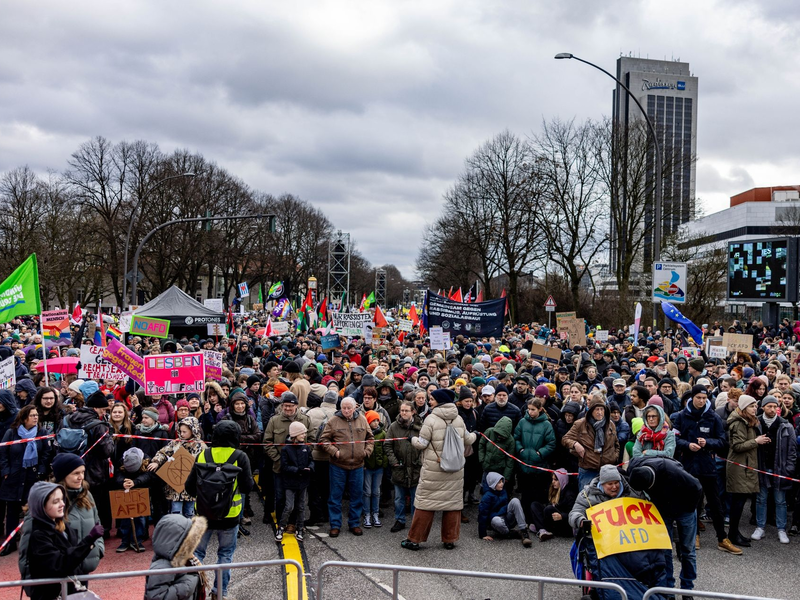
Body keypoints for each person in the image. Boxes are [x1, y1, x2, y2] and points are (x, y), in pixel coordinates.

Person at [569, 465, 666, 600]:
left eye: (616, 483)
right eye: (610, 484)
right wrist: (581, 520)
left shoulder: (632, 491)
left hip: (631, 539)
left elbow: (646, 507)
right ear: (602, 484)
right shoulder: (587, 495)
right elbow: (574, 513)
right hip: (605, 542)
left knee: (654, 558)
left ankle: (657, 591)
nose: (614, 487)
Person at [185, 420, 252, 600]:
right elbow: (247, 487)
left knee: (196, 554)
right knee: (225, 555)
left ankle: (195, 592)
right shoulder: (240, 456)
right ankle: (218, 593)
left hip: (203, 515)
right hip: (230, 515)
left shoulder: (203, 455)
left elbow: (189, 487)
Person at [402, 388, 476, 551]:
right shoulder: (458, 419)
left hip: (434, 469)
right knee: (452, 505)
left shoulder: (431, 419)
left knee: (426, 504)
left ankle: (415, 539)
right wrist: (476, 434)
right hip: (455, 469)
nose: (430, 401)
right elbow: (469, 439)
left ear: (440, 401)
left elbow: (421, 443)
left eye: (432, 399)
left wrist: (411, 439)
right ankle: (450, 539)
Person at [671, 384, 738, 554]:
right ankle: (695, 535)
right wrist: (688, 445)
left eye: (704, 398)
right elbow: (674, 439)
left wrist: (707, 443)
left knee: (715, 503)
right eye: (698, 398)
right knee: (693, 503)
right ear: (691, 398)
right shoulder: (681, 416)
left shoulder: (713, 417)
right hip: (688, 465)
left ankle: (722, 538)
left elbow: (722, 442)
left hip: (708, 465)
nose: (701, 401)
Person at [628, 456, 704, 594]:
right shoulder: (635, 469)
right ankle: (668, 589)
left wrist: (689, 509)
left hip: (685, 508)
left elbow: (697, 487)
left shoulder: (672, 471)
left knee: (688, 551)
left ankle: (687, 589)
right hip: (662, 509)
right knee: (665, 551)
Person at [26, 481, 104, 600]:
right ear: (42, 506)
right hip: (52, 595)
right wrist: (89, 540)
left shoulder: (63, 527)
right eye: (55, 501)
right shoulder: (39, 536)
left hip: (69, 591)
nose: (62, 504)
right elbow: (61, 564)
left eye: (62, 499)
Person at [319, 397, 374, 537]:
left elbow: (370, 438)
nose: (346, 411)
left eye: (349, 408)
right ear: (340, 408)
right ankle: (335, 525)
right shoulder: (333, 421)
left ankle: (354, 523)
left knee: (357, 496)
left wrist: (366, 452)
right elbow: (323, 440)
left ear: (355, 407)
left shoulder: (362, 419)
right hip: (338, 465)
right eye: (344, 408)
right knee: (335, 497)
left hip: (358, 465)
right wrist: (335, 452)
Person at [0, 404, 51, 556]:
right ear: (24, 418)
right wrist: (6, 471)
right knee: (13, 510)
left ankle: (33, 542)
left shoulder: (42, 432)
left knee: (33, 510)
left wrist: (41, 471)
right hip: (14, 477)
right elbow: (3, 453)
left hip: (32, 477)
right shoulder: (12, 433)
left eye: (37, 415)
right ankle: (10, 542)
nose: (36, 417)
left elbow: (46, 454)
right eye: (32, 415)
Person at [64, 388, 115, 532]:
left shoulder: (68, 419)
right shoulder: (98, 426)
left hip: (71, 468)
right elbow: (107, 451)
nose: (104, 413)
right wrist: (110, 436)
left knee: (75, 502)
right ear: (95, 408)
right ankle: (99, 531)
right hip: (95, 471)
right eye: (103, 410)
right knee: (96, 504)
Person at [751, 395, 795, 544]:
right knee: (761, 498)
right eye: (768, 406)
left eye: (774, 406)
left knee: (780, 500)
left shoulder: (785, 425)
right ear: (763, 407)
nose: (772, 409)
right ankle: (760, 527)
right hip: (761, 467)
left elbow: (792, 450)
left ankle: (781, 529)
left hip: (779, 469)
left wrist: (789, 468)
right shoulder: (756, 423)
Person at [727, 394, 769, 548]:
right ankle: (732, 534)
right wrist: (756, 441)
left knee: (740, 501)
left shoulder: (748, 421)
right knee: (738, 502)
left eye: (755, 405)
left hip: (745, 466)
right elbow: (737, 446)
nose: (755, 408)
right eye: (752, 406)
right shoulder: (738, 423)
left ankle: (735, 532)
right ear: (744, 407)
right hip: (739, 467)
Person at [264, 392, 311, 529]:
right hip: (279, 467)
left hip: (299, 469)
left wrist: (305, 458)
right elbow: (267, 442)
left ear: (296, 406)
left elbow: (312, 440)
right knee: (280, 496)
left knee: (298, 499)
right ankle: (281, 521)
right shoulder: (274, 421)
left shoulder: (305, 420)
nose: (287, 409)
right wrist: (278, 459)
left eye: (290, 406)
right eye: (285, 406)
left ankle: (293, 522)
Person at [147, 416, 207, 518]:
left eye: (185, 432)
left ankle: (189, 533)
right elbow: (162, 452)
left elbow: (206, 463)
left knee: (189, 513)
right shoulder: (175, 443)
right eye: (181, 431)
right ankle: (177, 533)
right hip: (175, 486)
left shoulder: (201, 446)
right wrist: (157, 462)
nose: (182, 434)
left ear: (193, 430)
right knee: (175, 513)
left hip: (191, 486)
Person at [145, 514, 210, 600]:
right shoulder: (163, 566)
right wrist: (190, 581)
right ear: (177, 541)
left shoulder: (187, 560)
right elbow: (156, 597)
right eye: (188, 540)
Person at [562, 397, 619, 490]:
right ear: (591, 410)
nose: (600, 412)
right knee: (587, 500)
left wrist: (614, 456)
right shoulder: (581, 424)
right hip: (588, 469)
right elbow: (565, 439)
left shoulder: (610, 424)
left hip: (607, 469)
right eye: (597, 409)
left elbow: (616, 443)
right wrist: (575, 444)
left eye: (602, 409)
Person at [514, 397, 556, 521]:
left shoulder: (546, 424)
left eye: (533, 410)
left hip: (539, 466)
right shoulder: (522, 422)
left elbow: (551, 443)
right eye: (529, 409)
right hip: (524, 464)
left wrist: (540, 453)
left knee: (537, 494)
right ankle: (525, 519)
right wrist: (521, 449)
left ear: (540, 409)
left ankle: (536, 519)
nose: (530, 412)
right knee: (525, 494)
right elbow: (516, 437)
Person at [384, 401, 422, 533]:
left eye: (406, 411)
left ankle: (415, 521)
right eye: (402, 410)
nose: (403, 413)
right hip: (399, 467)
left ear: (413, 412)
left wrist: (421, 460)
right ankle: (400, 520)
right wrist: (393, 461)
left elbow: (425, 444)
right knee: (399, 497)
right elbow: (387, 445)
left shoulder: (420, 426)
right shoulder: (394, 427)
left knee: (415, 497)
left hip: (416, 467)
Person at [275, 421, 314, 542]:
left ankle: (300, 528)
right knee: (289, 506)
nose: (304, 435)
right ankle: (281, 527)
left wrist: (311, 468)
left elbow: (311, 460)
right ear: (295, 435)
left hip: (303, 481)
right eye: (302, 433)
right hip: (290, 482)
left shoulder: (306, 448)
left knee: (301, 506)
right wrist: (298, 470)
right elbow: (285, 466)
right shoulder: (286, 449)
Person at [305, 390, 338, 526]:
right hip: (332, 456)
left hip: (314, 456)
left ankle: (315, 515)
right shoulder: (338, 414)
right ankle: (326, 514)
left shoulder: (311, 413)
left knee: (313, 488)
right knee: (328, 488)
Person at [113, 446, 152, 553]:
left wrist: (136, 482)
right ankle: (125, 541)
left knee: (141, 518)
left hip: (141, 492)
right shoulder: (121, 460)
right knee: (125, 518)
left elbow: (148, 475)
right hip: (126, 492)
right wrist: (122, 482)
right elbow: (117, 475)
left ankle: (137, 540)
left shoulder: (147, 460)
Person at [477, 472, 532, 547]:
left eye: (502, 481)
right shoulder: (487, 497)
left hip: (506, 517)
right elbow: (483, 515)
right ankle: (510, 534)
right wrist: (482, 534)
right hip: (497, 522)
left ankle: (523, 531)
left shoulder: (502, 491)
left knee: (515, 500)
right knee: (496, 520)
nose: (502, 483)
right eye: (499, 482)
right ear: (493, 484)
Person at [529, 468, 576, 541]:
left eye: (556, 480)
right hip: (553, 519)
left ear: (562, 480)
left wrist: (562, 516)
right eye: (552, 479)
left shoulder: (569, 494)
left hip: (564, 524)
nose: (553, 482)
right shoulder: (554, 490)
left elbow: (573, 513)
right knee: (534, 505)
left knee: (549, 509)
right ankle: (542, 529)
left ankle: (540, 527)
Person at [362, 410, 388, 528]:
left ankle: (375, 513)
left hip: (378, 467)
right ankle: (367, 514)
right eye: (373, 421)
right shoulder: (364, 434)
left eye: (377, 420)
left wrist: (383, 462)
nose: (376, 423)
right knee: (367, 492)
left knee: (376, 491)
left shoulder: (382, 434)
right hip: (367, 467)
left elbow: (385, 449)